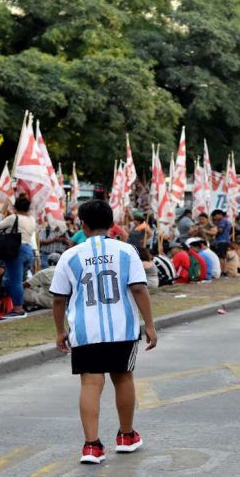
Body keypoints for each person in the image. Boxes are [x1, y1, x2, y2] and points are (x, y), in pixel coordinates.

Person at [50, 199, 157, 465]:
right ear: (111, 224)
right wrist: (150, 325)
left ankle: (92, 446)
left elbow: (58, 299)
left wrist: (60, 330)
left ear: (82, 225)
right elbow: (139, 289)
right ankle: (127, 436)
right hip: (122, 328)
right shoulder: (127, 251)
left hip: (86, 331)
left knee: (90, 383)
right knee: (123, 378)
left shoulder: (70, 255)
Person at [0, 195, 37, 319]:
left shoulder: (13, 218)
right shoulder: (32, 219)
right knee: (13, 281)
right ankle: (17, 306)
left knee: (15, 282)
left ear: (15, 207)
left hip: (16, 250)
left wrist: (2, 213)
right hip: (28, 250)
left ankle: (18, 309)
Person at [211, 209, 231, 275]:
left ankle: (222, 271)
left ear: (220, 214)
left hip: (222, 240)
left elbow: (220, 230)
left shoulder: (222, 221)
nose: (214, 218)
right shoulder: (226, 221)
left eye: (215, 216)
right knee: (223, 256)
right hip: (226, 240)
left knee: (221, 256)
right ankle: (224, 270)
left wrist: (214, 234)